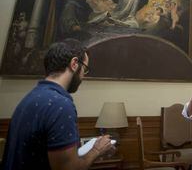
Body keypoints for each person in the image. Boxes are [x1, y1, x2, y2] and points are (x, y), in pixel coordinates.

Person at [1, 39, 114, 170]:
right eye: (85, 69)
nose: (84, 76)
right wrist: (97, 150)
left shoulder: (31, 97)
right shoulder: (60, 105)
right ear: (74, 64)